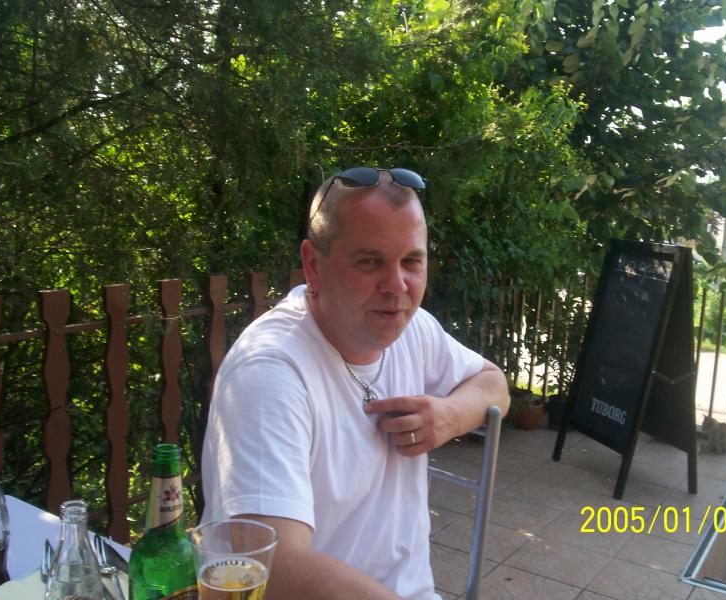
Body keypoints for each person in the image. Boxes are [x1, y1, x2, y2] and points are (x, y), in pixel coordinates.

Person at [201, 167, 509, 600]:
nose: (397, 286)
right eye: (370, 262)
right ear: (313, 265)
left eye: (411, 261)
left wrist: (450, 415)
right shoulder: (269, 371)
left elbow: (494, 383)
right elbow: (274, 567)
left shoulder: (415, 330)